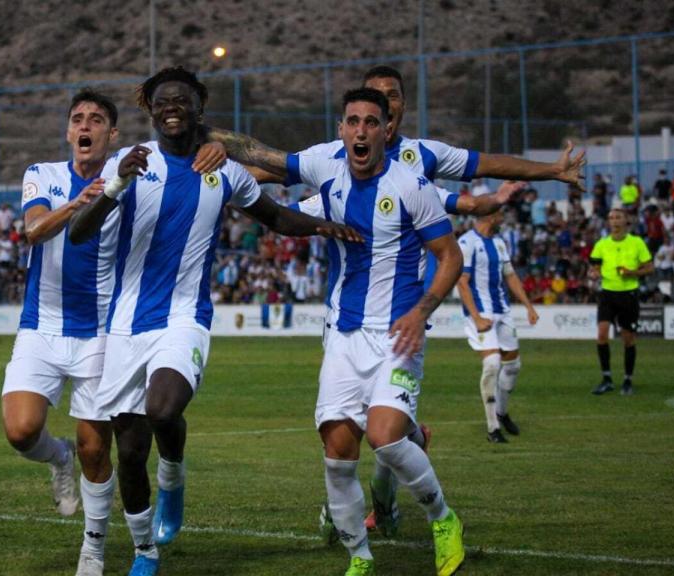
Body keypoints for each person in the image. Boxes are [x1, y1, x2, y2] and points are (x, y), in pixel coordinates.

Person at [207, 63, 578, 535]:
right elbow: (274, 169)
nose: (382, 106)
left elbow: (483, 164)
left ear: (396, 110)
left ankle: (383, 507)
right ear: (349, 122)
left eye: (393, 96)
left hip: (400, 316)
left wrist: (546, 172)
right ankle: (376, 498)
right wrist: (220, 173)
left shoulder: (421, 159)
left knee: (382, 431)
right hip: (345, 315)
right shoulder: (335, 160)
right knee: (349, 430)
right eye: (372, 100)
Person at [69, 66, 358, 576]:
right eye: (162, 102)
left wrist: (325, 226)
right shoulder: (131, 162)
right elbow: (78, 233)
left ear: (199, 109)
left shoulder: (221, 169)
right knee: (130, 452)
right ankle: (143, 552)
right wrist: (115, 183)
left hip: (185, 317)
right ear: (151, 111)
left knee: (163, 411)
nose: (171, 108)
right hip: (125, 325)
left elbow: (276, 217)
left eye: (181, 100)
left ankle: (174, 476)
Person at [0, 89, 229, 576]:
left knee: (96, 449)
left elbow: (189, 154)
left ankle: (94, 551)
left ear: (113, 136)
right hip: (40, 326)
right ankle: (54, 455)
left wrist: (218, 148)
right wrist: (84, 202)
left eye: (97, 120)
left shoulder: (134, 174)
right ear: (68, 132)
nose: (85, 126)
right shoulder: (42, 175)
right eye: (78, 119)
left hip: (103, 333)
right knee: (20, 431)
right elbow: (34, 230)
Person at [277, 87, 466, 576]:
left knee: (385, 437)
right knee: (338, 453)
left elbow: (450, 256)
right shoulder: (328, 176)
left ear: (386, 131)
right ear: (341, 130)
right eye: (352, 121)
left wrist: (421, 311)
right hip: (343, 335)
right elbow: (273, 178)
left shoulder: (411, 184)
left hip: (398, 335)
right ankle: (360, 557)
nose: (361, 130)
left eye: (370, 122)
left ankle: (443, 520)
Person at [455, 207, 540, 443]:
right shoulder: (467, 242)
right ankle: (493, 428)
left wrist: (528, 306)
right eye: (501, 215)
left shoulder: (500, 242)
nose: (503, 218)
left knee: (512, 366)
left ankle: (502, 412)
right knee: (492, 364)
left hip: (502, 311)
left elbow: (510, 275)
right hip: (481, 313)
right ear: (490, 216)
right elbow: (462, 282)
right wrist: (476, 317)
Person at [589, 208, 654, 396]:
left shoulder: (637, 243)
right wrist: (593, 274)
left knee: (628, 339)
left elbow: (650, 268)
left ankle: (627, 380)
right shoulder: (601, 244)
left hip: (628, 295)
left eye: (618, 217)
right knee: (602, 334)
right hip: (607, 294)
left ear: (627, 221)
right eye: (611, 218)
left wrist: (632, 272)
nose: (614, 221)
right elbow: (594, 268)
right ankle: (607, 379)